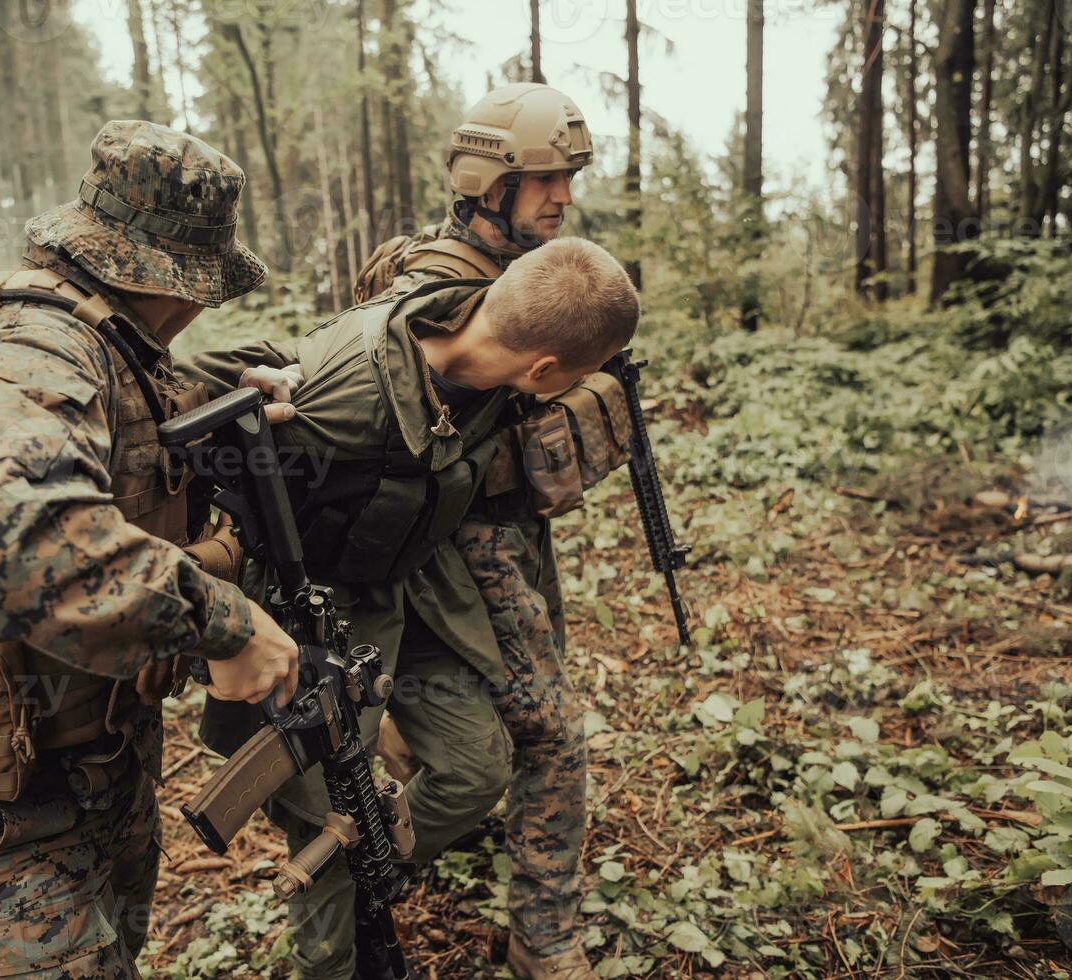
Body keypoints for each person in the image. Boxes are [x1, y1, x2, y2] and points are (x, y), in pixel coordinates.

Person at [0, 121, 300, 978]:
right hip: (2, 801)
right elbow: (12, 537)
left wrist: (228, 385)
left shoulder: (99, 339)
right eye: (202, 289)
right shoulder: (31, 347)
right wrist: (227, 622)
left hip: (85, 755)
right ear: (174, 283)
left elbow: (128, 404)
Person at [183, 236, 640, 980]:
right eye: (574, 379)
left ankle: (365, 855)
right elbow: (183, 386)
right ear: (544, 371)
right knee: (321, 808)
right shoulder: (345, 399)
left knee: (474, 770)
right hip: (314, 617)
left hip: (409, 591)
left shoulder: (479, 318)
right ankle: (327, 948)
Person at [354, 82, 609, 980]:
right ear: (486, 183)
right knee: (550, 735)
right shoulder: (444, 294)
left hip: (505, 543)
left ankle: (410, 799)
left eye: (568, 178)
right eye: (543, 180)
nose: (563, 198)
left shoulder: (493, 277)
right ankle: (544, 938)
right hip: (470, 552)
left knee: (515, 723)